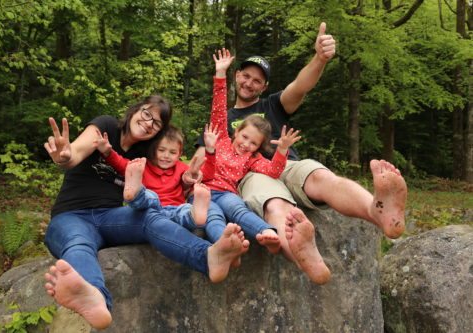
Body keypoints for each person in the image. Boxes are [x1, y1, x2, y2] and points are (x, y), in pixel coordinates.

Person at [193, 22, 407, 285]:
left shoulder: (272, 104)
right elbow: (204, 156)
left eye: (257, 80)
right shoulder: (223, 122)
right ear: (236, 75)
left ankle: (377, 210)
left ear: (264, 86)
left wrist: (319, 59)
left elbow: (300, 86)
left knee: (320, 176)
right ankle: (305, 257)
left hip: (287, 165)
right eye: (246, 76)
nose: (250, 83)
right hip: (249, 175)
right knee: (275, 204)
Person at [42, 96, 249, 329]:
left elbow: (174, 166)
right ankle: (95, 297)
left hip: (111, 217)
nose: (149, 123)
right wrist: (65, 157)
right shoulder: (107, 126)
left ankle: (209, 257)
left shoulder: (145, 152)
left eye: (157, 123)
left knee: (150, 217)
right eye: (147, 113)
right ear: (134, 111)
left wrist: (191, 176)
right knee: (78, 243)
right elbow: (76, 152)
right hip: (71, 216)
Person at [189, 49, 301, 255]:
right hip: (202, 191)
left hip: (225, 194)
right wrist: (220, 74)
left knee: (238, 209)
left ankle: (269, 233)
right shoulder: (221, 137)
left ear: (258, 147)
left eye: (253, 143)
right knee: (211, 217)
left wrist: (282, 150)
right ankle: (225, 246)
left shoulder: (252, 160)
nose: (246, 144)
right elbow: (218, 108)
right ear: (236, 131)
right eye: (244, 137)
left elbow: (274, 171)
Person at [93, 124, 218, 229]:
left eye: (172, 152)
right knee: (149, 196)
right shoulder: (142, 166)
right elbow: (120, 163)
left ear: (180, 153)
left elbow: (207, 175)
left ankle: (196, 215)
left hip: (175, 210)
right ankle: (134, 191)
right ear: (153, 150)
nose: (166, 156)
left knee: (185, 210)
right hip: (150, 211)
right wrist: (107, 152)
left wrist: (210, 150)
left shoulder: (181, 168)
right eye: (161, 150)